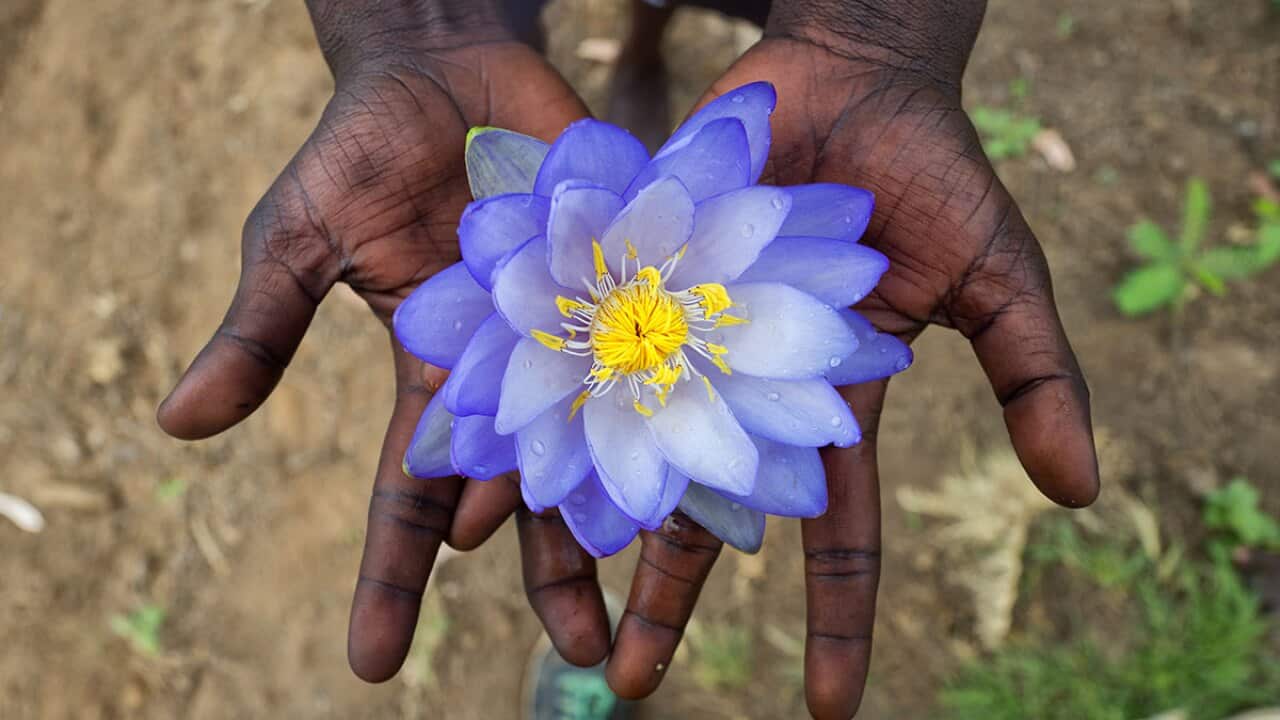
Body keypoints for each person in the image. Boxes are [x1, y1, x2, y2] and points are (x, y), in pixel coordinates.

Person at [156, 1, 1100, 717]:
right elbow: (520, 361)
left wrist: (876, 23)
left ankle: (646, 36)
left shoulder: (757, 261)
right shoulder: (537, 296)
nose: (645, 336)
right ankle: (639, 45)